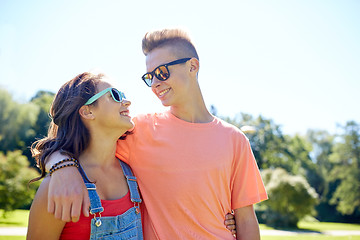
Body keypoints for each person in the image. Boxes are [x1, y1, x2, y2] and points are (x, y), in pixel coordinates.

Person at [46, 28, 268, 239]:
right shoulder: (137, 131)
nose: (155, 84)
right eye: (149, 76)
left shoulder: (235, 140)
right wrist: (62, 168)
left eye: (161, 72)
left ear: (192, 66)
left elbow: (246, 220)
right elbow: (70, 145)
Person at [27, 72, 143, 239]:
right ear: (88, 112)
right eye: (115, 95)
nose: (127, 101)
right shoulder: (57, 186)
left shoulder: (136, 170)